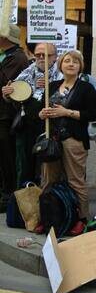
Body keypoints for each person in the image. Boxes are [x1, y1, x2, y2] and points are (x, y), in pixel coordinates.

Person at [38, 51, 96, 235]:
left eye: (75, 61)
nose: (71, 64)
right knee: (48, 180)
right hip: (52, 140)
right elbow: (42, 110)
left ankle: (81, 219)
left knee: (76, 181)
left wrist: (67, 112)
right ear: (60, 65)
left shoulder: (85, 88)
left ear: (81, 66)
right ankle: (47, 217)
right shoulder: (53, 85)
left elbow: (92, 115)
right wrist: (42, 114)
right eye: (67, 61)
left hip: (74, 140)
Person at [3, 42, 62, 187]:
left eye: (46, 55)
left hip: (50, 127)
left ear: (54, 57)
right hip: (26, 127)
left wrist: (50, 86)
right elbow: (15, 97)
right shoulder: (26, 73)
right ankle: (24, 204)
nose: (42, 58)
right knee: (24, 167)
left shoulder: (61, 74)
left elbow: (66, 97)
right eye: (38, 55)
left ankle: (46, 203)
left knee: (45, 169)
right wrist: (7, 94)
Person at [0, 25, 29, 212]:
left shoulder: (17, 57)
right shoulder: (8, 55)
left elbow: (6, 82)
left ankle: (8, 194)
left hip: (6, 114)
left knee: (6, 156)